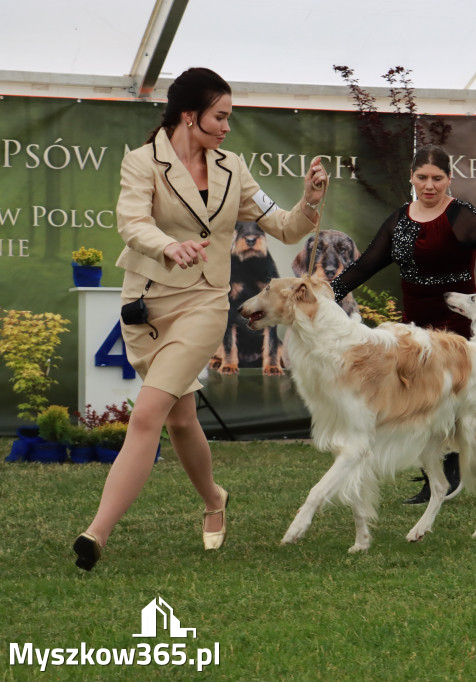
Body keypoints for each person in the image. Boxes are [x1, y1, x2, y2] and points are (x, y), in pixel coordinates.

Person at [72, 67, 327, 571]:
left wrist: (310, 203)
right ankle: (214, 499)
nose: (227, 127)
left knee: (146, 416)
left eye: (229, 117)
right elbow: (132, 222)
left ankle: (95, 534)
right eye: (220, 116)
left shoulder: (233, 167)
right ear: (190, 116)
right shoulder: (142, 163)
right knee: (181, 419)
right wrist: (170, 245)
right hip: (146, 306)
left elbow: (282, 224)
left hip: (205, 304)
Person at [330, 144, 476, 504]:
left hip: (455, 324)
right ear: (412, 178)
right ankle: (435, 475)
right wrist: (327, 293)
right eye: (422, 178)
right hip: (417, 328)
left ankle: (453, 472)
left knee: (454, 401)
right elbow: (366, 265)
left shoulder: (462, 216)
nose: (429, 185)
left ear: (448, 179)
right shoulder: (399, 221)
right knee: (423, 402)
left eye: (437, 178)